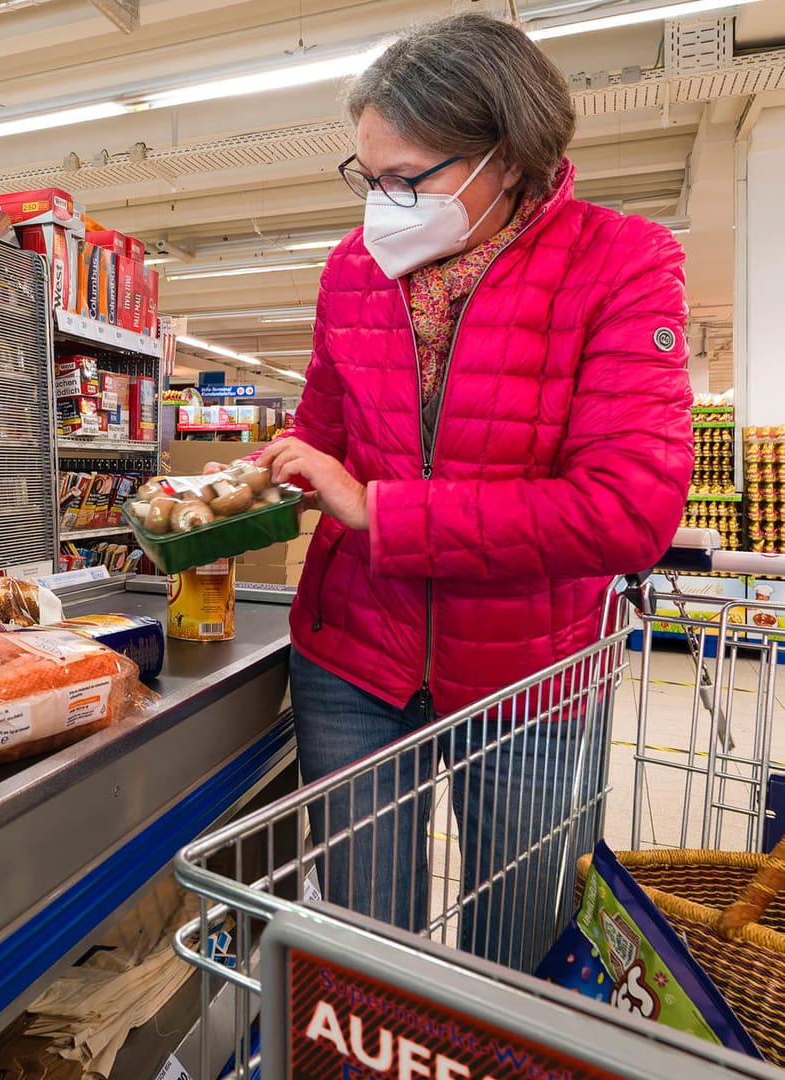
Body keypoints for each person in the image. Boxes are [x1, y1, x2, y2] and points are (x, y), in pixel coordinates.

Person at [256, 12, 694, 970]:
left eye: (410, 179)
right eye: (368, 179)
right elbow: (322, 435)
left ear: (511, 153)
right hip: (353, 659)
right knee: (370, 949)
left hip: (529, 678)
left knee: (517, 965)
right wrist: (270, 474)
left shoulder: (620, 262)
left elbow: (631, 508)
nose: (384, 204)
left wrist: (379, 510)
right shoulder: (351, 271)